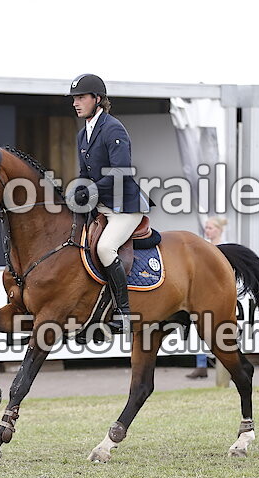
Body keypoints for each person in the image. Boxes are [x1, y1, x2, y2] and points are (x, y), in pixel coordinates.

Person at [69, 73, 150, 337]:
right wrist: (76, 191)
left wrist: (91, 189)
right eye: (74, 99)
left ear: (97, 99)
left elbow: (121, 171)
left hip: (124, 207)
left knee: (105, 248)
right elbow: (84, 172)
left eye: (81, 98)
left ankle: (124, 314)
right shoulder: (84, 134)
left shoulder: (113, 128)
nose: (76, 103)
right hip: (101, 206)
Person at [187, 216, 227, 379]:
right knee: (200, 329)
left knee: (221, 330)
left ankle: (222, 366)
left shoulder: (225, 246)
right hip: (201, 292)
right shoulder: (201, 246)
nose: (207, 230)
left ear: (218, 230)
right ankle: (201, 364)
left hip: (218, 293)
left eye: (210, 227)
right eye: (206, 227)